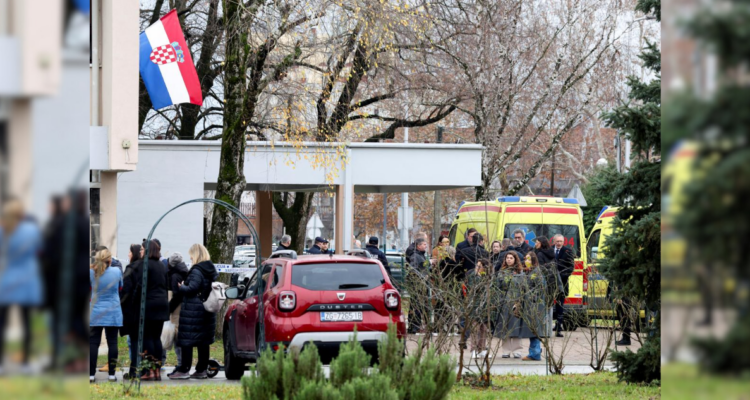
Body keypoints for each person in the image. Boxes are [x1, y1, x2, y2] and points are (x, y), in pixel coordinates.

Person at [0, 199, 43, 375]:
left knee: (2, 323)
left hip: (7, 278)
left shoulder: (3, 230)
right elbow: (40, 249)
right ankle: (25, 363)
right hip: (27, 278)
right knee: (27, 323)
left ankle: (1, 363)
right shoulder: (31, 230)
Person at [169, 244, 219, 380]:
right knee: (203, 342)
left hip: (193, 312)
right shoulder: (209, 269)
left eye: (191, 254)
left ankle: (184, 369)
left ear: (196, 254)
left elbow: (193, 288)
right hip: (205, 311)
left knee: (187, 340)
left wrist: (182, 287)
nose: (190, 257)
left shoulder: (197, 270)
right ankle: (201, 369)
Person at [122, 240, 169, 381]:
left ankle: (148, 371)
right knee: (156, 338)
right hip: (162, 304)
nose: (141, 251)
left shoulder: (144, 265)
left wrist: (134, 300)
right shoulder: (161, 265)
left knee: (148, 338)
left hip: (149, 305)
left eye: (142, 249)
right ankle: (157, 371)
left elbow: (141, 285)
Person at [89, 248, 123, 383]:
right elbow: (121, 288)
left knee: (93, 343)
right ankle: (112, 375)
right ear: (110, 260)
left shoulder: (92, 273)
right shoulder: (117, 271)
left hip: (96, 311)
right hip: (113, 311)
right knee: (113, 342)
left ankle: (91, 374)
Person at [494, 251, 526, 358]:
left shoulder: (521, 273)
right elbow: (497, 287)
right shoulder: (502, 272)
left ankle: (517, 350)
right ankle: (506, 350)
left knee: (516, 326)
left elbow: (524, 288)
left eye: (511, 258)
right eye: (507, 258)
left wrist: (520, 301)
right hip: (504, 302)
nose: (509, 260)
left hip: (516, 302)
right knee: (505, 326)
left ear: (515, 259)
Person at [119, 244, 142, 378]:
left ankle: (134, 370)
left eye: (129, 252)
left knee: (133, 342)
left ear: (134, 253)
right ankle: (142, 369)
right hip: (144, 309)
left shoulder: (131, 269)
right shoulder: (145, 267)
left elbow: (126, 291)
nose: (128, 254)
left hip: (132, 311)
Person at [164, 252, 189, 368]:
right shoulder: (185, 272)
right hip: (183, 308)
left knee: (176, 336)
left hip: (176, 310)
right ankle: (182, 362)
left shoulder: (174, 276)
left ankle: (180, 363)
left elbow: (176, 295)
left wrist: (168, 309)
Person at [522, 251, 546, 361]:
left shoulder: (536, 273)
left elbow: (540, 289)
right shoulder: (530, 272)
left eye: (528, 259)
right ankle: (534, 352)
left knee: (534, 330)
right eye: (525, 259)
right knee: (532, 329)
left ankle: (535, 353)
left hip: (535, 305)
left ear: (533, 260)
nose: (525, 261)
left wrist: (530, 298)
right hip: (532, 304)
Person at [467, 259, 492, 360]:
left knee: (484, 329)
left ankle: (481, 349)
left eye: (479, 266)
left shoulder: (488, 277)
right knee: (475, 328)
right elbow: (473, 289)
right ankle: (473, 349)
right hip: (475, 306)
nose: (477, 268)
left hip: (485, 306)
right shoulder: (473, 276)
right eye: (476, 266)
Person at [552, 234, 574, 337]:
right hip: (551, 283)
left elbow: (571, 267)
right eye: (557, 241)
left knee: (560, 305)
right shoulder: (549, 250)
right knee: (549, 304)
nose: (559, 243)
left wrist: (562, 276)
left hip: (562, 283)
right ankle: (548, 325)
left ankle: (559, 327)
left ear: (563, 241)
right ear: (554, 241)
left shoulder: (568, 251)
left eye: (561, 241)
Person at [407, 238, 430, 334]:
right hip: (417, 285)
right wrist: (422, 277)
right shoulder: (415, 256)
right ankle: (414, 327)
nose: (426, 246)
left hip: (419, 284)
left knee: (418, 305)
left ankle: (415, 326)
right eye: (424, 244)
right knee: (416, 306)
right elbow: (413, 269)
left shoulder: (420, 255)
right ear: (418, 246)